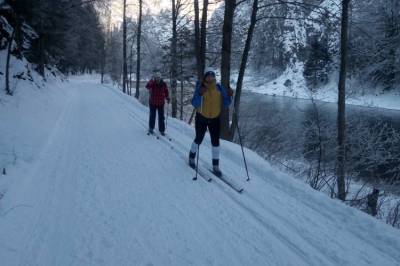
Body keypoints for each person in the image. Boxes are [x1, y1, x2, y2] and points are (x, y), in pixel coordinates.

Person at [189, 68, 233, 176]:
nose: (210, 77)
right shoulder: (200, 87)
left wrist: (230, 95)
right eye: (208, 75)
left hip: (214, 119)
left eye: (212, 75)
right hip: (201, 118)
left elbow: (226, 103)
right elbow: (194, 103)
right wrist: (199, 94)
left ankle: (216, 166)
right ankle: (191, 157)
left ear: (214, 76)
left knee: (215, 142)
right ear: (205, 76)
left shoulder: (219, 88)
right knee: (198, 139)